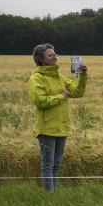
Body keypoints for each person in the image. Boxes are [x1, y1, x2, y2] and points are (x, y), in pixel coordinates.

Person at [26, 43, 88, 192]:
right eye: (51, 55)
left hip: (62, 126)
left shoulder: (58, 76)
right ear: (41, 59)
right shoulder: (36, 78)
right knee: (48, 163)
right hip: (47, 128)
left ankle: (52, 194)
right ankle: (49, 196)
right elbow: (40, 101)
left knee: (56, 164)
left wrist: (83, 76)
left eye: (55, 55)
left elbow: (77, 92)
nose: (55, 57)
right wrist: (61, 96)